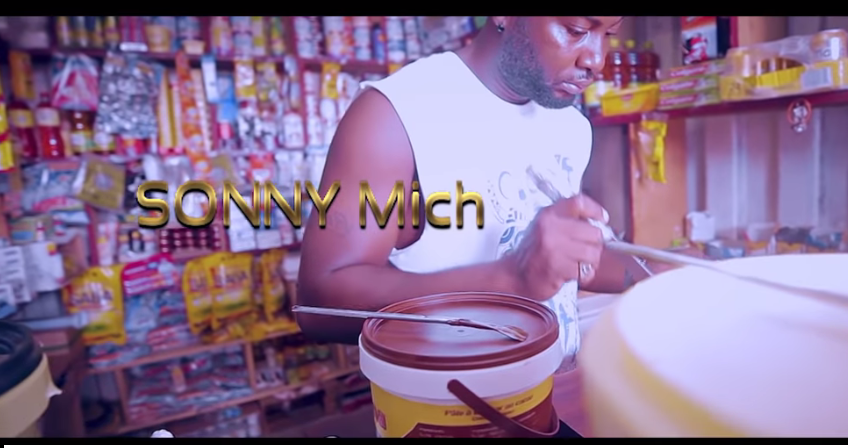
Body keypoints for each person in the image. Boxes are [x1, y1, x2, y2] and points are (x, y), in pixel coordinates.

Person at [297, 16, 671, 362]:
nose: (596, 60)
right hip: (448, 406)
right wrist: (509, 280)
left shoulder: (571, 126)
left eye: (608, 34)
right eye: (576, 29)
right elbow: (319, 306)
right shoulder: (394, 116)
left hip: (550, 393)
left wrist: (653, 269)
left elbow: (557, 262)